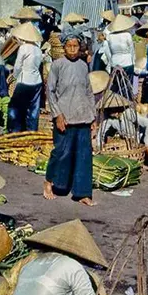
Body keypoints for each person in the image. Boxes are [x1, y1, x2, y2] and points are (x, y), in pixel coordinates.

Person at [43, 36, 96, 206]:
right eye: (69, 46)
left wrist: (92, 115)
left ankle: (82, 192)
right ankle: (50, 182)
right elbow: (50, 91)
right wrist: (57, 114)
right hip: (65, 117)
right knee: (61, 152)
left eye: (75, 46)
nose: (72, 49)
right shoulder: (57, 65)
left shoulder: (83, 65)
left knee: (84, 155)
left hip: (83, 116)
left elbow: (88, 91)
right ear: (64, 47)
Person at [97, 92, 148, 163]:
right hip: (130, 140)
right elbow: (101, 132)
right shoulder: (109, 119)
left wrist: (147, 144)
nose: (110, 112)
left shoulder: (128, 113)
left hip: (144, 137)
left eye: (111, 109)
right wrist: (100, 147)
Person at [7, 23, 43, 133]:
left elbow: (18, 66)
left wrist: (13, 77)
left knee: (16, 107)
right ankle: (32, 131)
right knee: (33, 109)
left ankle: (15, 130)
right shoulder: (38, 49)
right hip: (37, 81)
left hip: (24, 81)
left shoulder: (23, 48)